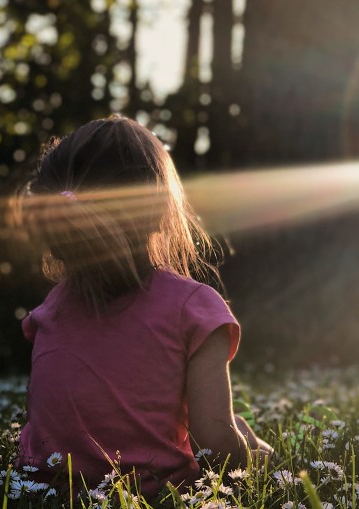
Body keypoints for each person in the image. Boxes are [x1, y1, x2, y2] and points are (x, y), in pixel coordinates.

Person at [15, 115, 272, 497]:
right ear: (156, 211)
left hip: (44, 494)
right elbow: (215, 446)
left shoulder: (50, 310)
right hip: (152, 497)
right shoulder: (194, 308)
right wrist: (255, 457)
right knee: (239, 433)